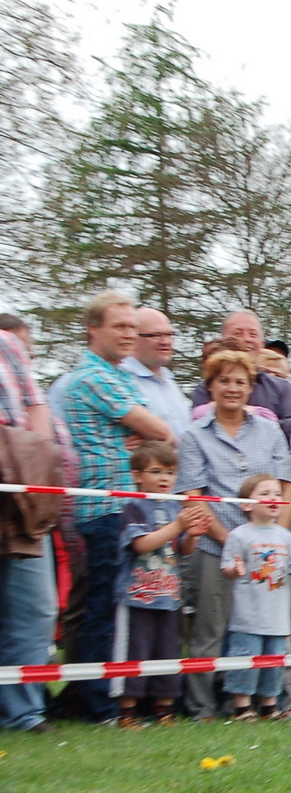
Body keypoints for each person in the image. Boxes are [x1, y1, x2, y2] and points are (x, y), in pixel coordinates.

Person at [60, 291, 175, 721]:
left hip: (125, 508)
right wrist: (141, 435)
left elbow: (153, 439)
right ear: (94, 329)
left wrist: (141, 437)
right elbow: (160, 432)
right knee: (103, 610)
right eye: (120, 327)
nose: (129, 335)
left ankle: (107, 699)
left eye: (133, 327)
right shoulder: (95, 377)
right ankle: (95, 704)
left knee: (117, 608)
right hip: (104, 511)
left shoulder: (119, 375)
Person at [176, 349, 291, 721]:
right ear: (210, 386)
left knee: (276, 628)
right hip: (216, 546)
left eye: (240, 382)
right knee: (211, 630)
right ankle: (202, 707)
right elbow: (193, 499)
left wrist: (275, 538)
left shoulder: (270, 429)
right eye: (224, 381)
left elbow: (287, 488)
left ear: (251, 388)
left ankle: (281, 701)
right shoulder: (193, 436)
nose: (232, 388)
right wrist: (235, 542)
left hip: (270, 551)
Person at [113, 443, 205, 727]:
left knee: (168, 651)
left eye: (170, 472)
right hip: (137, 597)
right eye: (156, 471)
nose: (165, 478)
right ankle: (128, 712)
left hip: (169, 596)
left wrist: (193, 534)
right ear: (137, 475)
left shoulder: (174, 507)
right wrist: (178, 525)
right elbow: (142, 545)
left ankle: (163, 709)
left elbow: (182, 550)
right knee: (134, 652)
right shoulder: (134, 506)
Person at [0, 323, 61, 734]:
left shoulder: (6, 344)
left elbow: (35, 405)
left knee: (35, 606)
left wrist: (34, 455)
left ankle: (23, 714)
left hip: (20, 484)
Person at [220, 474, 291, 719]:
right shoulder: (239, 535)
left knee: (274, 662)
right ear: (246, 504)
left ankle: (269, 705)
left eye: (277, 494)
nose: (273, 498)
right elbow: (227, 567)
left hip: (277, 617)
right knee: (245, 660)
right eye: (265, 493)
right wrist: (235, 569)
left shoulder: (286, 536)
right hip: (247, 616)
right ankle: (241, 706)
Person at [188, 311, 291, 437]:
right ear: (224, 339)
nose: (247, 339)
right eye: (238, 334)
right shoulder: (205, 388)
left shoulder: (282, 387)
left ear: (262, 343)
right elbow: (202, 428)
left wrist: (255, 423)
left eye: (253, 334)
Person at [122, 308, 193, 437]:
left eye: (169, 335)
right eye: (155, 335)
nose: (165, 342)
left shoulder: (169, 381)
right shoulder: (121, 380)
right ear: (133, 338)